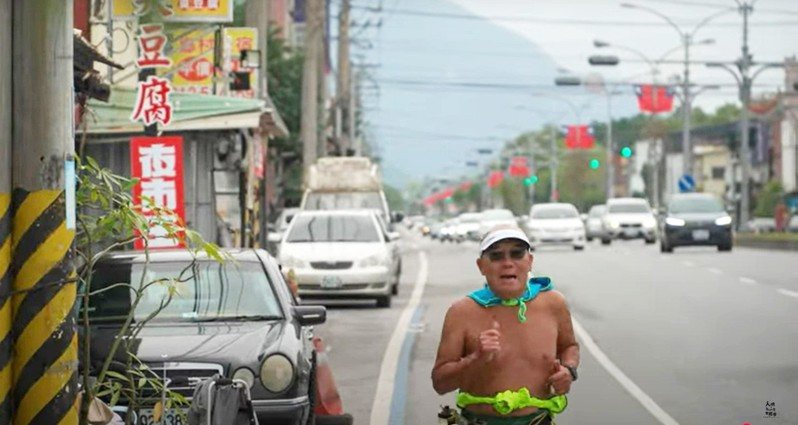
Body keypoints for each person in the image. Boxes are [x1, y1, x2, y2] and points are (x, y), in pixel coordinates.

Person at [431, 225, 580, 425]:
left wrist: (568, 371)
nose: (508, 263)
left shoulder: (554, 303)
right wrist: (477, 359)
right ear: (481, 266)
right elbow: (440, 383)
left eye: (517, 254)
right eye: (496, 256)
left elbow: (569, 347)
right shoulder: (462, 312)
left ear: (530, 262)